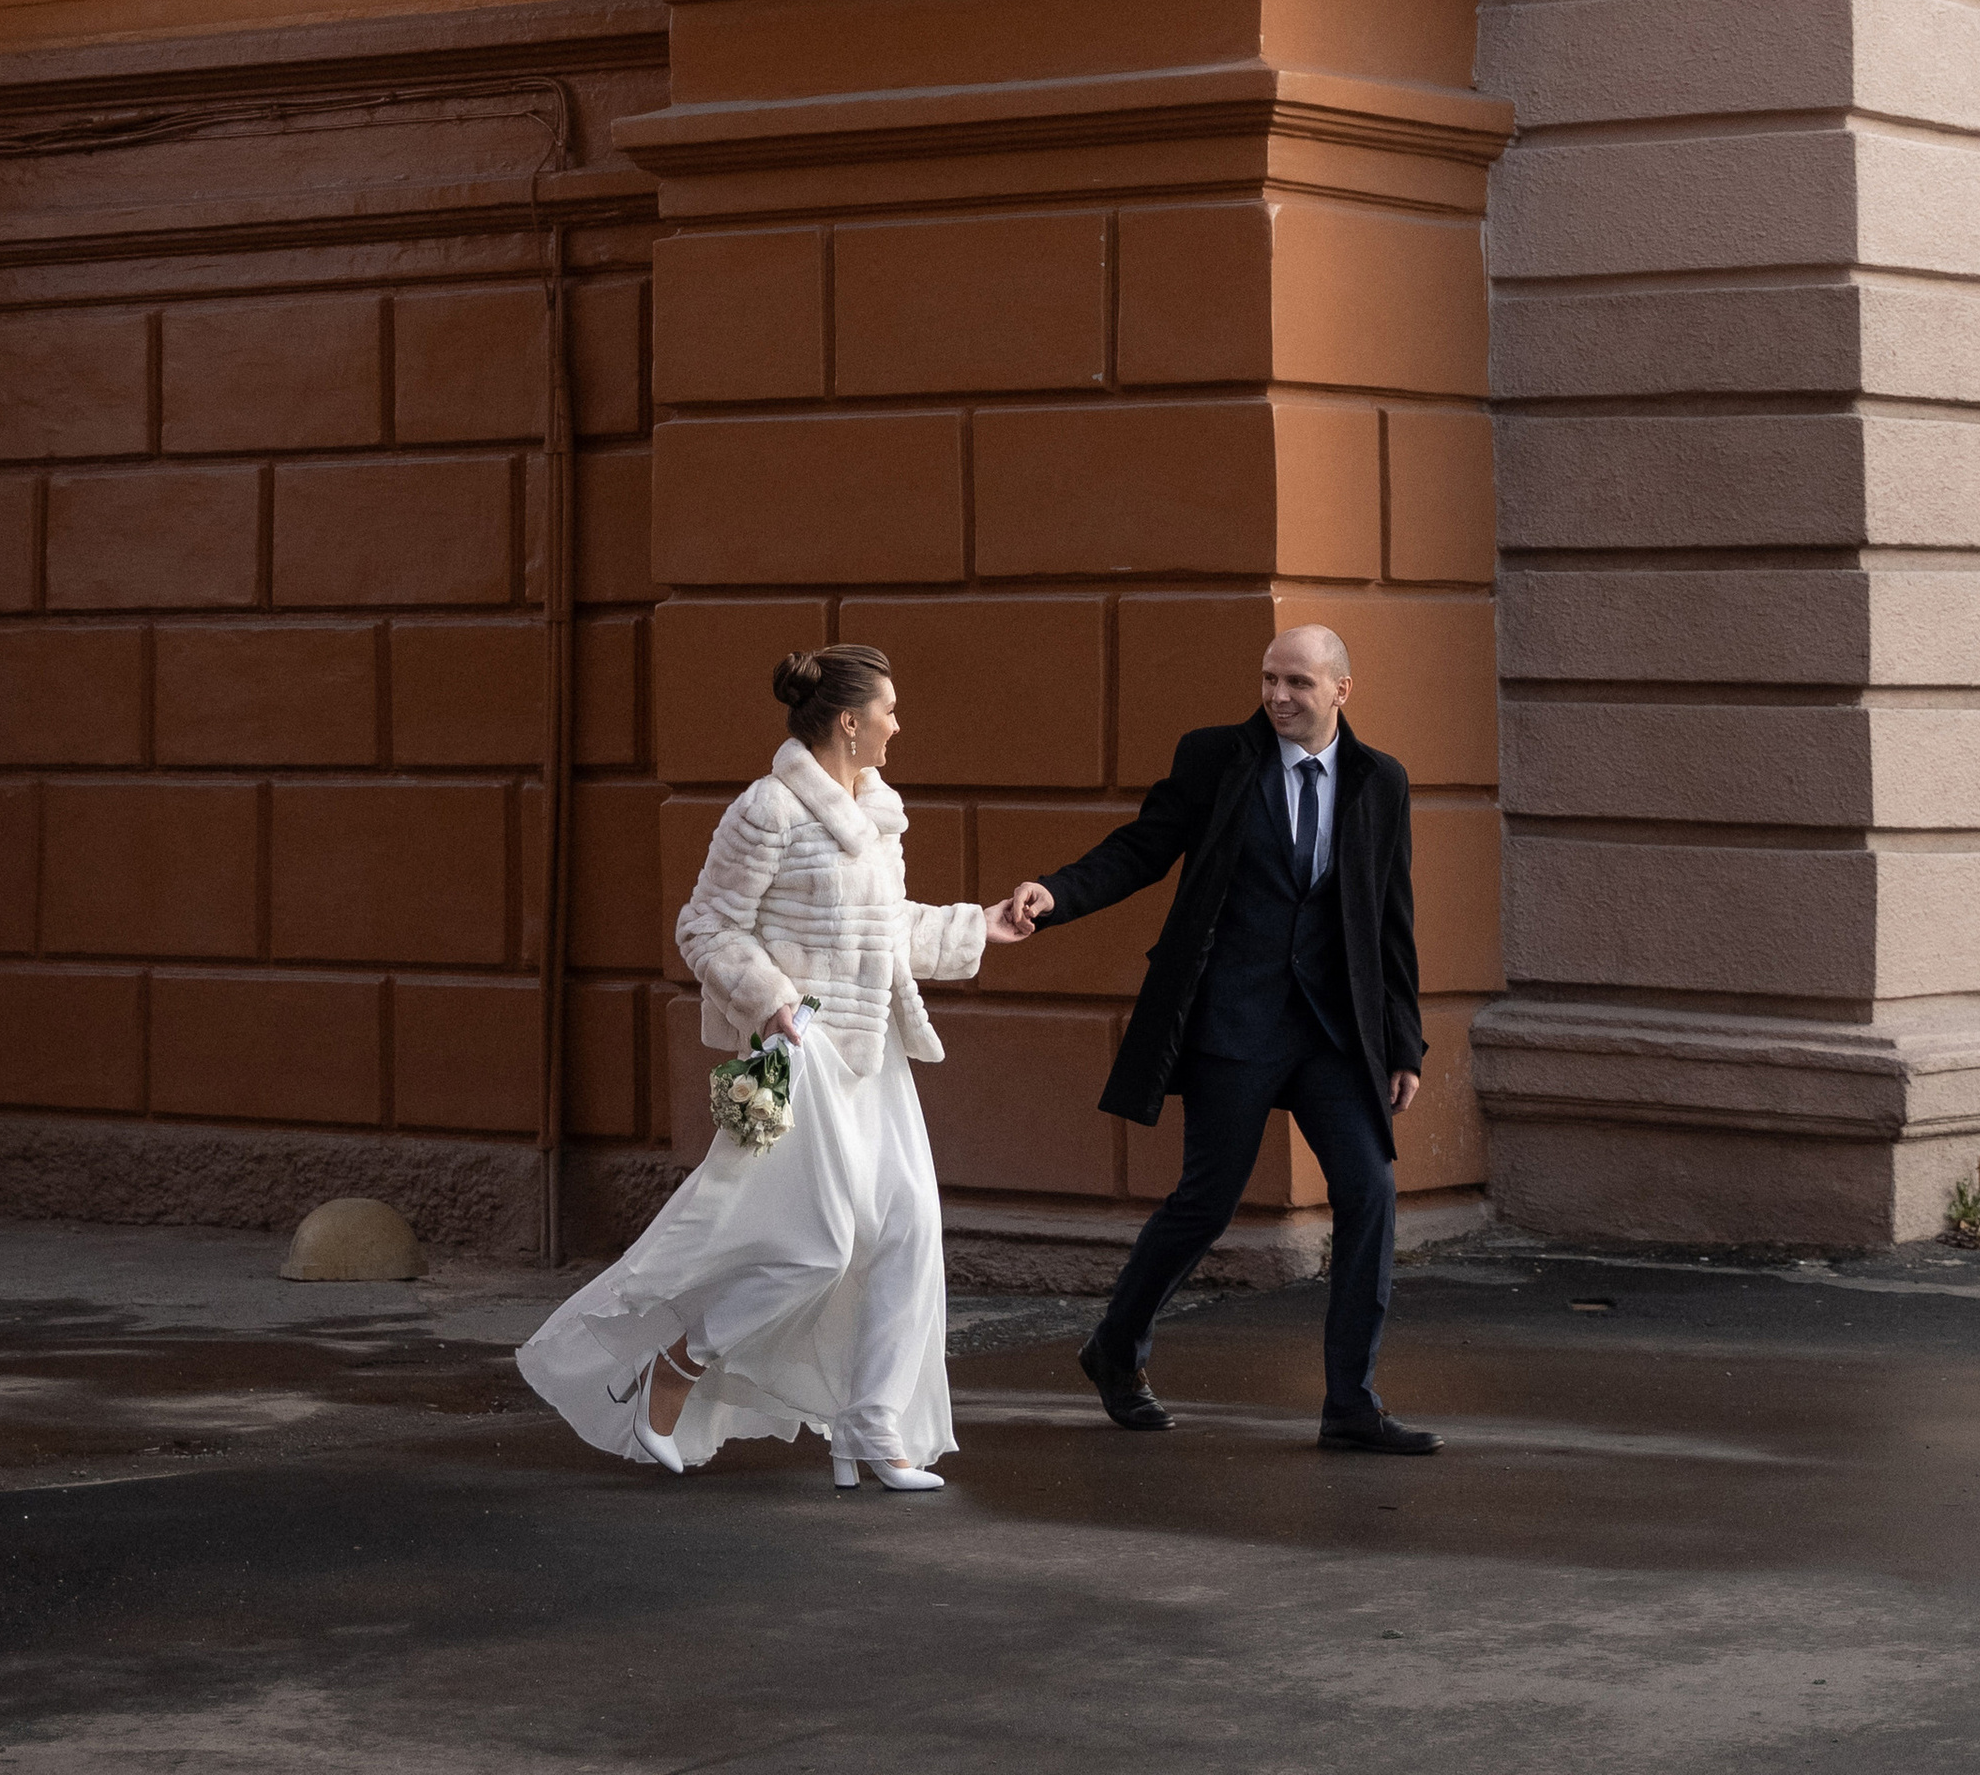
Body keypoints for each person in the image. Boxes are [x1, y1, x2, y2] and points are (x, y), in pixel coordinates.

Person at [517, 645, 1030, 1490]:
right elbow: (705, 926)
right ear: (849, 721)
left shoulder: (880, 811)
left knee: (909, 1237)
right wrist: (773, 1002)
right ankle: (677, 1364)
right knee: (817, 1244)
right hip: (806, 1048)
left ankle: (869, 1424)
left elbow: (889, 926)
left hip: (877, 1056)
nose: (900, 725)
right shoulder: (769, 810)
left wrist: (981, 926)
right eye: (890, 711)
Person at [993, 624, 1437, 1454]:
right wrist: (1055, 892)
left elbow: (1391, 917)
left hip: (1335, 1032)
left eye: (1298, 682)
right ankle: (1116, 1349)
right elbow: (1141, 848)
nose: (1277, 696)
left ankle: (1351, 1403)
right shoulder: (1217, 757)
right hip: (1235, 1020)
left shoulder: (1381, 781)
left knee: (1370, 1193)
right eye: (1270, 678)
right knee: (1208, 1202)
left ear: (1343, 688)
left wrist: (1403, 1039)